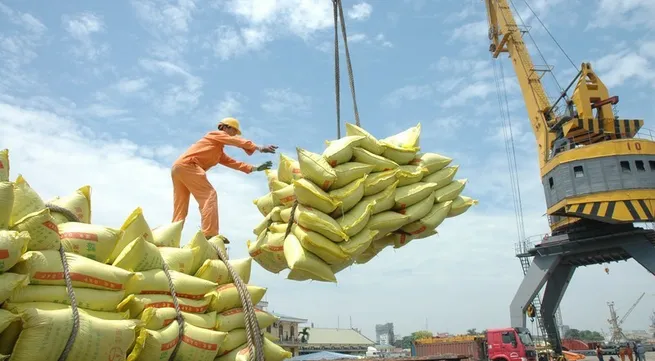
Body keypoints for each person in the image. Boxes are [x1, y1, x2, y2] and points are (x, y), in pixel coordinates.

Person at [171, 117, 278, 241]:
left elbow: (234, 163)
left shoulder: (217, 151)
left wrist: (255, 168)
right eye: (234, 131)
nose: (234, 134)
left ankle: (171, 237)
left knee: (181, 207)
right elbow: (234, 141)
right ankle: (210, 233)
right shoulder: (214, 135)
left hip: (178, 169)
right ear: (225, 127)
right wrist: (259, 147)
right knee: (209, 195)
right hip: (188, 166)